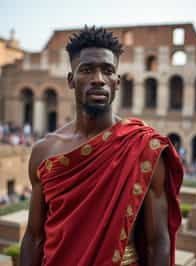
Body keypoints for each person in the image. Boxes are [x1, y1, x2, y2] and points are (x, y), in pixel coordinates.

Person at [20, 26, 183, 266]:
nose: (98, 79)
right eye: (86, 70)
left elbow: (157, 242)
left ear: (117, 81)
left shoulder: (143, 147)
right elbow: (34, 237)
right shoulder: (44, 151)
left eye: (107, 71)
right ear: (70, 80)